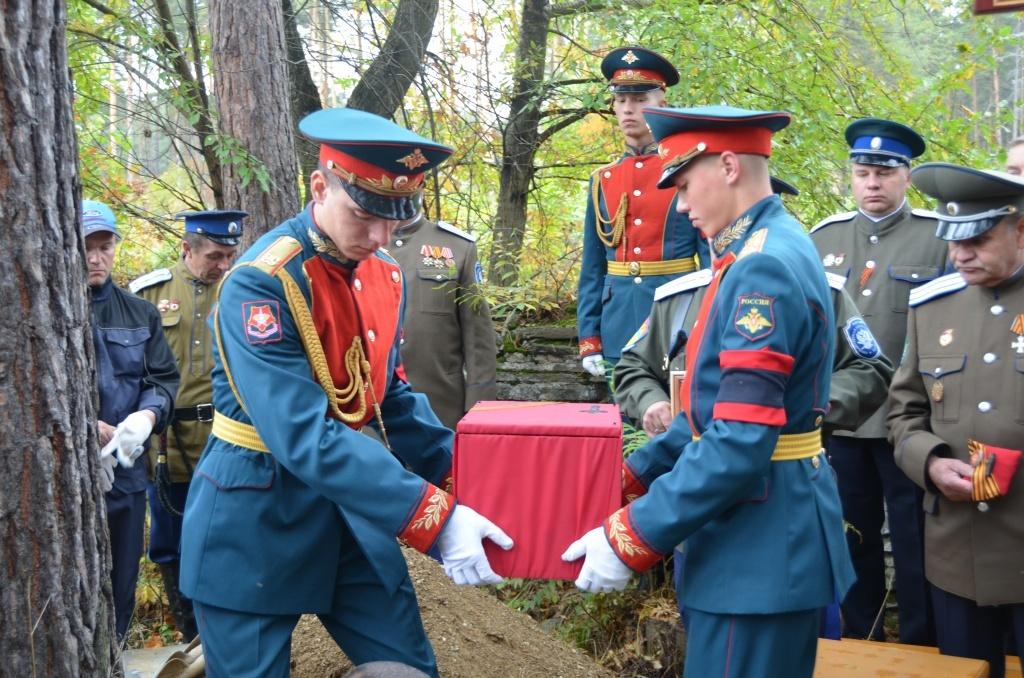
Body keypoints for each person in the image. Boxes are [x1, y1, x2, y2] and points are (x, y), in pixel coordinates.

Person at [179, 108, 512, 678]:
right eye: (364, 215)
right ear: (319, 187)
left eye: (395, 218)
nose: (381, 237)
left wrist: (470, 482)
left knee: (408, 670)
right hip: (256, 515)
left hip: (349, 514)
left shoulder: (383, 273)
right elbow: (303, 435)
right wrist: (434, 517)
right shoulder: (262, 282)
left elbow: (391, 399)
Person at [563, 106, 854, 678]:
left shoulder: (761, 267)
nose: (679, 205)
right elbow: (711, 408)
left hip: (756, 551)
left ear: (727, 167)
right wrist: (631, 477)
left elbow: (739, 439)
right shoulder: (756, 251)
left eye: (684, 185)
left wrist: (633, 534)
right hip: (758, 543)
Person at [614, 177, 894, 439]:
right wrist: (651, 401)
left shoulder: (822, 293)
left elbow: (870, 369)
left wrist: (806, 404)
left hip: (783, 455)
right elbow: (633, 366)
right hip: (688, 456)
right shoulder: (678, 299)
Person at [809, 118, 947, 643]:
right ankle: (861, 639)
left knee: (916, 539)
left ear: (906, 176)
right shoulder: (823, 238)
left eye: (884, 173)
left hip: (907, 422)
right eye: (863, 173)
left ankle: (920, 643)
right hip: (843, 419)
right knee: (852, 534)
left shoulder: (936, 238)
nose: (872, 183)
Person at [888, 162, 1024, 678]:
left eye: (978, 240)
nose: (959, 254)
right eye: (953, 240)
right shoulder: (932, 308)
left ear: (1021, 230)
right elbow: (904, 413)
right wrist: (931, 463)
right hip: (957, 554)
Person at [129, 209, 246, 641]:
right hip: (166, 443)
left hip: (225, 439)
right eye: (215, 256)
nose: (223, 265)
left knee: (226, 538)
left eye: (230, 256)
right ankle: (189, 632)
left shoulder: (240, 290)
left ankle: (222, 634)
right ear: (187, 248)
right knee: (169, 542)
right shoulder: (149, 294)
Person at [577, 46, 707, 379]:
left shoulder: (685, 173)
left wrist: (708, 324)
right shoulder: (602, 180)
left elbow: (710, 261)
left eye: (639, 100)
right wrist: (589, 338)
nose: (628, 109)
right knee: (624, 412)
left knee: (674, 410)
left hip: (676, 318)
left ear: (661, 104)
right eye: (621, 100)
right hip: (617, 324)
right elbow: (593, 267)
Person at [84, 199, 178, 641]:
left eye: (104, 247)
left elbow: (163, 379)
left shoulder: (141, 313)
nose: (95, 258)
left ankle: (114, 658)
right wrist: (88, 427)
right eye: (86, 247)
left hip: (125, 471)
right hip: (60, 473)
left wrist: (146, 415)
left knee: (121, 580)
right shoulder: (39, 307)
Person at [387, 204, 497, 429]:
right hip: (371, 414)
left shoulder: (457, 246)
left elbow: (478, 336)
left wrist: (480, 406)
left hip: (440, 409)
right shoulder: (356, 243)